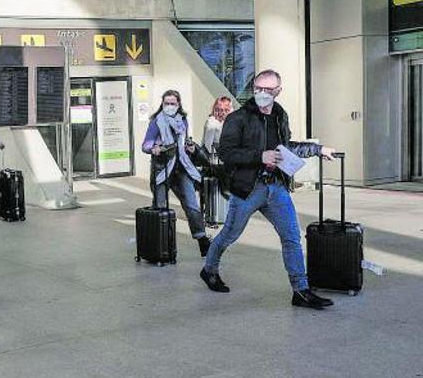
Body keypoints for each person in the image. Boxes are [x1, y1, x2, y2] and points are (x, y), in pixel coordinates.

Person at [199, 70, 338, 310]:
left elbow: (286, 147)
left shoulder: (280, 115)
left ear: (278, 91)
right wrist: (259, 156)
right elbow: (225, 153)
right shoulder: (238, 118)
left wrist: (318, 149)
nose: (262, 94)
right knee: (229, 235)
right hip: (248, 189)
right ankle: (209, 269)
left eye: (268, 90)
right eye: (258, 88)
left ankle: (301, 291)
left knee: (292, 238)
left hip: (276, 187)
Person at [141, 90, 211, 257]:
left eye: (173, 103)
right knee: (160, 208)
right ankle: (161, 247)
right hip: (162, 170)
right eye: (167, 103)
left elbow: (184, 143)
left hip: (182, 169)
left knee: (192, 205)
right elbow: (145, 145)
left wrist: (190, 148)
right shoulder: (156, 122)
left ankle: (202, 240)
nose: (170, 106)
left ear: (178, 105)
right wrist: (154, 148)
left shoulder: (182, 121)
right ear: (162, 104)